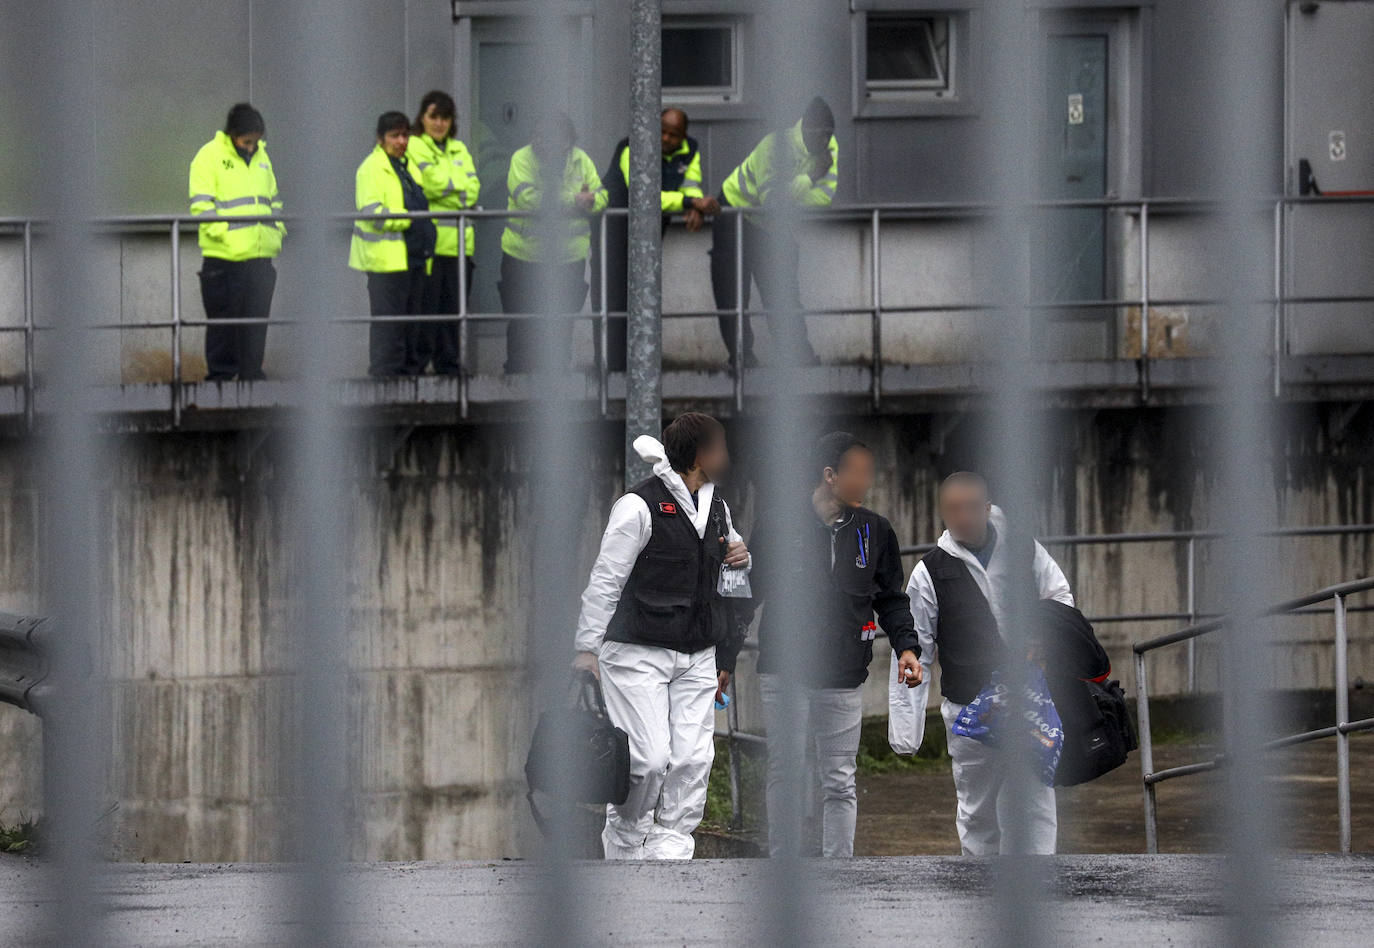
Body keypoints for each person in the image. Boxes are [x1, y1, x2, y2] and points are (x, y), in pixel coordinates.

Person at [572, 412, 750, 859]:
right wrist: (586, 648)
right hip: (636, 651)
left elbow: (732, 577)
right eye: (721, 447)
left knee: (693, 759)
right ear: (700, 455)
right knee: (647, 761)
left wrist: (740, 557)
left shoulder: (718, 508)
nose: (728, 456)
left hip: (698, 653)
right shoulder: (637, 506)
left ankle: (671, 860)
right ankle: (626, 848)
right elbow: (605, 580)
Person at [746, 432, 922, 858]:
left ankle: (839, 872)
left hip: (844, 676)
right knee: (785, 772)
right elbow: (748, 594)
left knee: (840, 779)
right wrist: (722, 657)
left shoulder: (875, 530)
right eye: (857, 473)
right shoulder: (777, 523)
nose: (866, 482)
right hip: (783, 673)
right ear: (829, 476)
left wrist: (906, 647)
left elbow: (891, 598)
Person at [906, 471, 1075, 856]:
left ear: (986, 508)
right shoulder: (929, 570)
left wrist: (1043, 636)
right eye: (952, 509)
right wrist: (907, 727)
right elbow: (917, 645)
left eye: (969, 508)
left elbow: (1059, 595)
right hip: (968, 705)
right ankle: (978, 883)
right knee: (977, 806)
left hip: (1028, 698)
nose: (961, 517)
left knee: (1034, 798)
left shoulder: (1024, 550)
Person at [710, 96, 838, 367]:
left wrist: (790, 194)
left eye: (829, 135)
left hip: (771, 223)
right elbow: (772, 201)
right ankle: (742, 357)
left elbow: (825, 198)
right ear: (804, 128)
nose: (825, 142)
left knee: (783, 291)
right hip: (734, 211)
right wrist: (810, 177)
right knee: (733, 290)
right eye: (820, 135)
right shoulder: (775, 147)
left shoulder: (830, 148)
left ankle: (798, 356)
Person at [590, 107, 719, 371]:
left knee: (644, 294)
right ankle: (611, 367)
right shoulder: (631, 147)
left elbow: (690, 185)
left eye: (674, 135)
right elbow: (645, 195)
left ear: (683, 136)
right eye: (661, 131)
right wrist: (690, 202)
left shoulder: (690, 150)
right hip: (614, 228)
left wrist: (694, 207)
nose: (665, 139)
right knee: (612, 297)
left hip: (651, 227)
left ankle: (640, 365)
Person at [499, 112, 607, 373]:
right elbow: (528, 198)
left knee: (562, 320)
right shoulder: (522, 159)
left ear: (568, 142)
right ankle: (518, 374)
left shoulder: (581, 160)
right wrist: (575, 200)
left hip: (569, 257)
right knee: (523, 319)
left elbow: (602, 195)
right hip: (524, 255)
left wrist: (591, 201)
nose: (549, 146)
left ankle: (557, 372)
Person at [189, 103, 284, 381]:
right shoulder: (209, 156)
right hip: (224, 258)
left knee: (256, 324)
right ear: (232, 134)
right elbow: (201, 205)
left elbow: (273, 199)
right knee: (224, 325)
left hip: (260, 255)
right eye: (247, 141)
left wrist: (275, 230)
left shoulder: (262, 157)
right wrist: (227, 235)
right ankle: (220, 380)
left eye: (256, 141)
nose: (252, 147)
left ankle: (252, 376)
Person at [349, 111, 437, 377]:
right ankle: (386, 376)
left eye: (405, 135)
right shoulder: (371, 169)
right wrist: (408, 220)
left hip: (413, 257)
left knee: (412, 322)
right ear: (380, 139)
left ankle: (410, 374)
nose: (401, 141)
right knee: (390, 324)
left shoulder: (407, 166)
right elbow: (373, 214)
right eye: (394, 136)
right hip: (386, 261)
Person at [407, 90, 481, 376]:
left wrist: (450, 190)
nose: (439, 123)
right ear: (422, 119)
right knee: (428, 311)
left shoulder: (459, 149)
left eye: (445, 118)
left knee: (453, 311)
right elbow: (427, 185)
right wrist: (459, 191)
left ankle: (449, 366)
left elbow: (474, 187)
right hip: (432, 246)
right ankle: (420, 366)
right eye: (433, 117)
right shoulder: (415, 146)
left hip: (461, 247)